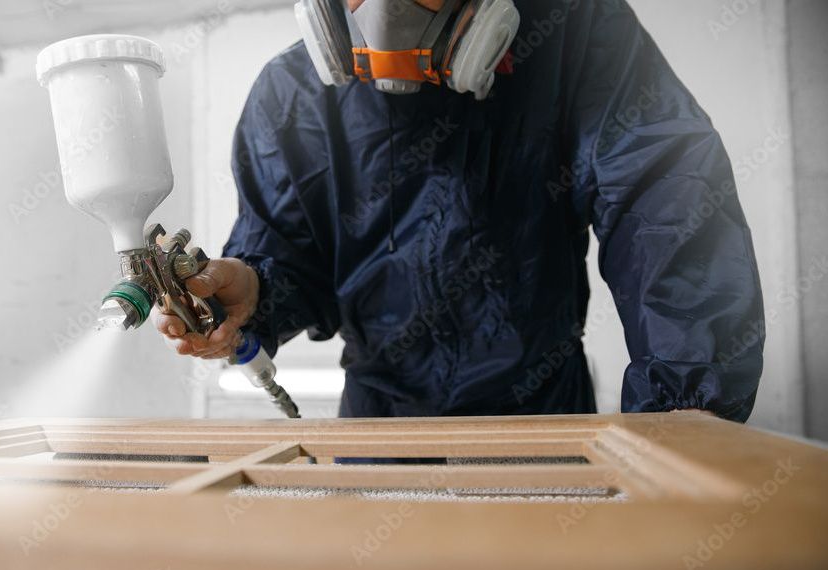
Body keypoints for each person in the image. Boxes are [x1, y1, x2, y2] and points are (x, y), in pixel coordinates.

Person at [154, 0, 765, 422]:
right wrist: (253, 291)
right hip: (380, 427)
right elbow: (291, 254)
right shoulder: (292, 92)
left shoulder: (570, 37)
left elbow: (665, 207)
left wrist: (686, 405)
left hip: (541, 419)